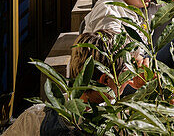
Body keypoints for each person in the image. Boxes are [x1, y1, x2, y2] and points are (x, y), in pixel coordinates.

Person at [5, 30, 149, 136]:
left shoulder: (36, 117)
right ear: (105, 80)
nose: (131, 76)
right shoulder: (122, 126)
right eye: (127, 70)